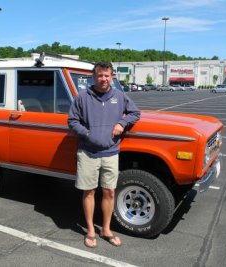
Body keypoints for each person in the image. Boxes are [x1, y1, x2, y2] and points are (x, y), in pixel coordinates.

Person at [68, 61, 140, 248]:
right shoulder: (82, 98)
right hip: (88, 152)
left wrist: (122, 123)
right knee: (89, 191)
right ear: (94, 77)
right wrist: (88, 134)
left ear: (112, 77)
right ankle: (91, 230)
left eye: (107, 75)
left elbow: (135, 113)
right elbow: (72, 121)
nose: (103, 79)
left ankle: (106, 229)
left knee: (109, 191)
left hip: (111, 153)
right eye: (100, 75)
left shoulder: (119, 96)